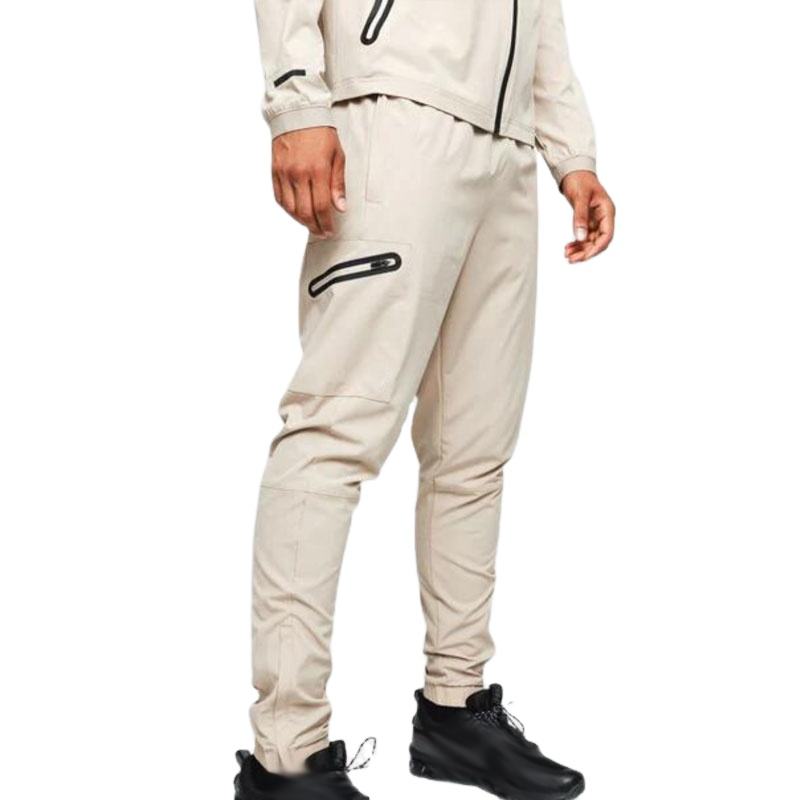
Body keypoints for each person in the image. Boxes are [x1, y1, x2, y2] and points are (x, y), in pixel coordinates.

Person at [234, 2, 615, 799]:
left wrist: (571, 153)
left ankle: (454, 709)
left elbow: (540, 16)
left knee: (473, 453)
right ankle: (287, 756)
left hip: (507, 150)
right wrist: (297, 101)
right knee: (334, 436)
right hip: (397, 116)